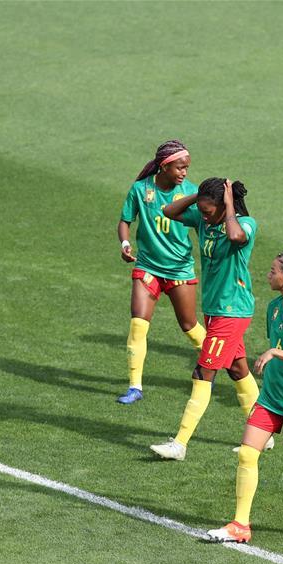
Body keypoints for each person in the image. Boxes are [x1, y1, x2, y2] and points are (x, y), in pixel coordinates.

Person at [208, 252, 283, 544]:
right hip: (271, 397)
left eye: (273, 270)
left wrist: (274, 353)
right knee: (248, 454)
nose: (267, 274)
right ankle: (240, 524)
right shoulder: (274, 308)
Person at [149, 179, 260, 460]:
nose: (204, 215)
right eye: (202, 209)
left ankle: (180, 444)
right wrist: (197, 196)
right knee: (237, 370)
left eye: (209, 210)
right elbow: (169, 211)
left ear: (225, 205)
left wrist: (230, 207)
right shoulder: (203, 217)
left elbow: (236, 237)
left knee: (202, 374)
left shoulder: (245, 224)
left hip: (232, 311)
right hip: (215, 308)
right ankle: (263, 435)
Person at [116, 140, 207, 404]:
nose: (184, 173)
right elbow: (124, 221)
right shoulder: (140, 190)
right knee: (138, 324)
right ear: (165, 166)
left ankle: (224, 361)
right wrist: (125, 243)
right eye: (180, 167)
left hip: (179, 269)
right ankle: (135, 386)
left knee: (189, 326)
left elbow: (205, 224)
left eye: (187, 168)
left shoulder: (191, 193)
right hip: (148, 267)